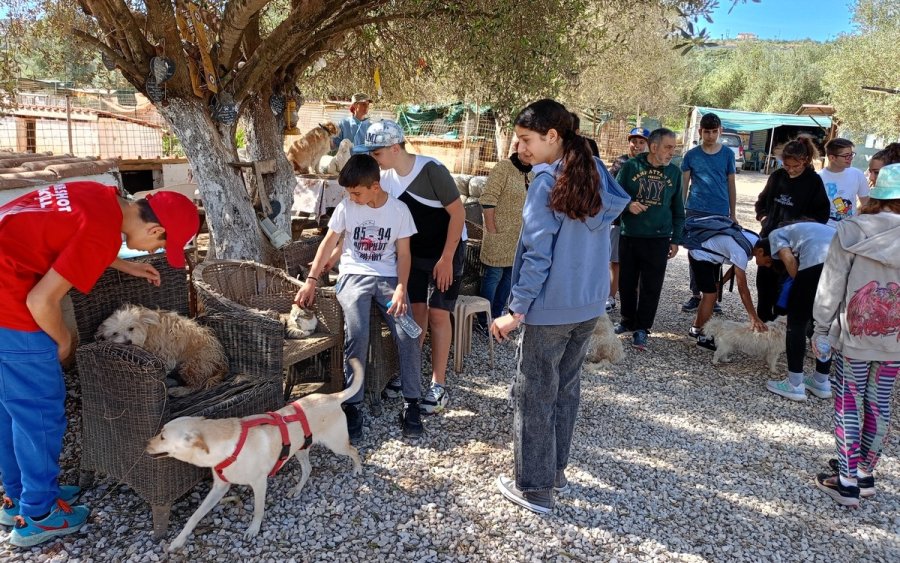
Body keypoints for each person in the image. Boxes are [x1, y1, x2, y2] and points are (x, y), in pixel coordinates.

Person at [0, 181, 198, 547]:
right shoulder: (103, 235)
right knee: (39, 413)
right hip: (10, 306)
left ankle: (18, 499)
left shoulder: (99, 195)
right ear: (155, 229)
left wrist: (123, 264)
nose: (154, 251)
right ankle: (39, 516)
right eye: (160, 245)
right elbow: (41, 301)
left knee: (12, 410)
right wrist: (64, 341)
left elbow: (65, 235)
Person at [491, 98, 629, 514]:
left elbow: (537, 253)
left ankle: (534, 488)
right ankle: (554, 472)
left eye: (526, 139)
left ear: (553, 136)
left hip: (551, 308)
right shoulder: (596, 173)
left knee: (534, 392)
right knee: (566, 389)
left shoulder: (548, 182)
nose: (519, 149)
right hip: (588, 305)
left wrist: (516, 309)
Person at [294, 154, 423, 440]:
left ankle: (411, 403)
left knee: (409, 334)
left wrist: (402, 287)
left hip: (389, 278)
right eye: (349, 193)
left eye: (356, 192)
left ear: (374, 186)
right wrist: (312, 281)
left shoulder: (400, 211)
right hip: (354, 276)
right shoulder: (346, 206)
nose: (351, 197)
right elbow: (329, 242)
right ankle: (352, 405)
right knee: (358, 333)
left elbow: (404, 254)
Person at [353, 120, 464, 415]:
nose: (372, 160)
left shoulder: (432, 170)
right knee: (415, 316)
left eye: (376, 154)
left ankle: (438, 384)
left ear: (394, 148)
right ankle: (411, 375)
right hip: (415, 256)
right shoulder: (385, 178)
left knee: (439, 315)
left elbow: (458, 213)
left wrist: (447, 258)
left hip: (447, 251)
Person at [811, 163, 900, 507]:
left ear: (876, 193)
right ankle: (865, 473)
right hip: (894, 341)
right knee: (880, 403)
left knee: (848, 402)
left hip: (855, 336)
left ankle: (846, 481)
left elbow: (831, 285)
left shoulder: (852, 230)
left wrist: (820, 329)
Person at [614, 128, 685, 350]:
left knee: (651, 285)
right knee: (626, 282)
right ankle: (627, 320)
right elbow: (614, 195)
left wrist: (676, 239)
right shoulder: (630, 167)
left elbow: (678, 209)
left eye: (673, 147)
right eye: (668, 147)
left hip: (659, 237)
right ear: (654, 147)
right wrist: (628, 205)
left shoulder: (674, 172)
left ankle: (643, 328)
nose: (672, 152)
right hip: (630, 235)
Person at [751, 221, 836, 401]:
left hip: (815, 265)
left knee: (796, 323)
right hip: (840, 267)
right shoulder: (812, 229)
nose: (767, 266)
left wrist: (801, 290)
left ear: (761, 250)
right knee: (823, 325)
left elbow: (788, 259)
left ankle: (795, 384)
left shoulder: (776, 234)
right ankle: (822, 380)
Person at [753, 137, 830, 322]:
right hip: (770, 240)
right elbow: (761, 202)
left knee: (786, 294)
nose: (791, 170)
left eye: (795, 166)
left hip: (795, 247)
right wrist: (764, 217)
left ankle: (782, 333)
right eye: (787, 165)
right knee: (764, 290)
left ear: (805, 160)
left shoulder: (814, 181)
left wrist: (801, 225)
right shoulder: (777, 176)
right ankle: (761, 330)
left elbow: (822, 215)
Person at [680, 112, 737, 314]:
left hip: (720, 211)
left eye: (714, 131)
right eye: (707, 132)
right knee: (695, 254)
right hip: (695, 210)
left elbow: (731, 183)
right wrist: (680, 211)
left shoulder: (728, 155)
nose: (711, 136)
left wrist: (733, 212)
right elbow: (684, 185)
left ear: (719, 131)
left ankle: (712, 296)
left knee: (717, 253)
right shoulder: (691, 155)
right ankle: (696, 295)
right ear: (700, 131)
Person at [687, 222, 766, 350]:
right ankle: (703, 337)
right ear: (761, 252)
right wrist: (753, 317)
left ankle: (695, 329)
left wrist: (721, 282)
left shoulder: (756, 240)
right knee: (710, 296)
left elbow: (736, 265)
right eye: (767, 261)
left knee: (710, 294)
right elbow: (743, 288)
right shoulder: (741, 251)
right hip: (700, 254)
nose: (767, 265)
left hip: (710, 254)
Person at [479, 149, 532, 321]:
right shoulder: (503, 168)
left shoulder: (533, 173)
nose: (528, 151)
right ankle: (484, 319)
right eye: (524, 146)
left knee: (510, 278)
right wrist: (491, 228)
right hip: (499, 233)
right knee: (493, 276)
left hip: (518, 237)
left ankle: (497, 315)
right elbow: (488, 198)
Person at [606, 127, 649, 311]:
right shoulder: (620, 163)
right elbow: (610, 188)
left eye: (641, 142)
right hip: (619, 221)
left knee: (639, 264)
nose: (637, 145)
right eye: (634, 141)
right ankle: (610, 297)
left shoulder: (650, 166)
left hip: (642, 223)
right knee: (615, 261)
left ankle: (635, 301)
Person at [820, 138, 869, 226]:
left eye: (851, 155)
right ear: (832, 158)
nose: (850, 158)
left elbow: (866, 203)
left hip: (850, 228)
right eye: (846, 155)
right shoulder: (819, 177)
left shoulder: (857, 174)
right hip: (824, 228)